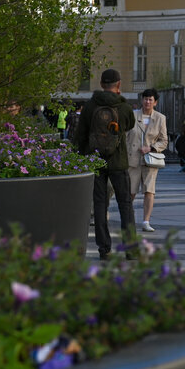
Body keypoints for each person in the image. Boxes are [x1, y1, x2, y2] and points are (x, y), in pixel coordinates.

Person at [73, 69, 136, 261]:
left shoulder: (91, 106)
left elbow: (80, 134)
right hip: (119, 161)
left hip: (95, 161)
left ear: (101, 84)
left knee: (100, 204)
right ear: (119, 84)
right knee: (125, 204)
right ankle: (130, 249)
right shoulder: (124, 107)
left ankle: (104, 249)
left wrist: (80, 157)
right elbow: (130, 125)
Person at [127, 88, 168, 233]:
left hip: (150, 160)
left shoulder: (160, 118)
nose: (147, 102)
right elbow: (125, 136)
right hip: (132, 159)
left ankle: (146, 221)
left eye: (151, 99)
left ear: (155, 102)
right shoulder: (133, 115)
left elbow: (164, 141)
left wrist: (151, 148)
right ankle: (127, 219)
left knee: (149, 191)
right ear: (142, 100)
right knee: (130, 191)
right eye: (145, 99)